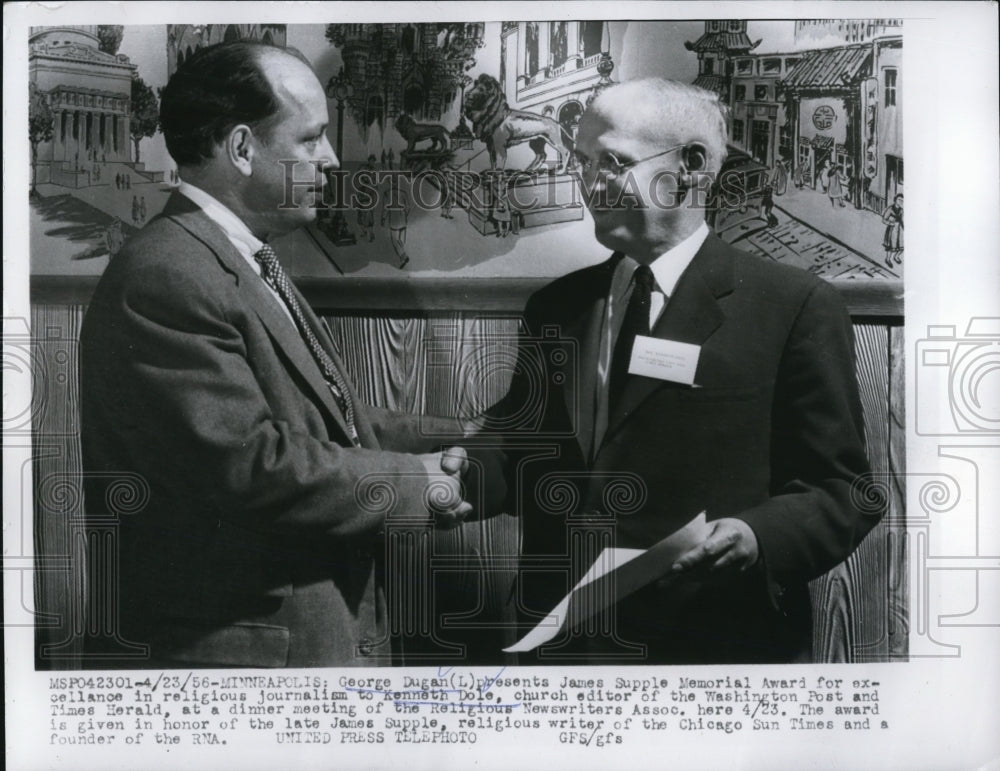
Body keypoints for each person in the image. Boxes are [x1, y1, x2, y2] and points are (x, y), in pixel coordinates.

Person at [79, 41, 485, 669]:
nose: (330, 160)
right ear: (241, 149)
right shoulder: (167, 272)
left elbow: (326, 420)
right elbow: (250, 467)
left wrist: (464, 436)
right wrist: (417, 484)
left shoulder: (230, 253)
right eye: (311, 140)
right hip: (242, 661)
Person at [489, 79, 881, 664]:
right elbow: (529, 450)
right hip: (562, 643)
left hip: (714, 644)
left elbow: (841, 490)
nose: (589, 185)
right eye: (583, 162)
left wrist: (756, 536)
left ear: (693, 165)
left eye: (613, 163)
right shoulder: (556, 307)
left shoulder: (793, 305)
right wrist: (465, 471)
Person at [882, 193, 903, 267]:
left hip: (900, 230)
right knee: (890, 247)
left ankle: (896, 257)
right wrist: (890, 223)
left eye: (902, 201)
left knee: (902, 246)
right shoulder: (890, 209)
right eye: (899, 200)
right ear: (895, 200)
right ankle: (888, 259)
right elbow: (884, 219)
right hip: (892, 229)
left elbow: (902, 219)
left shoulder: (901, 210)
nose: (900, 202)